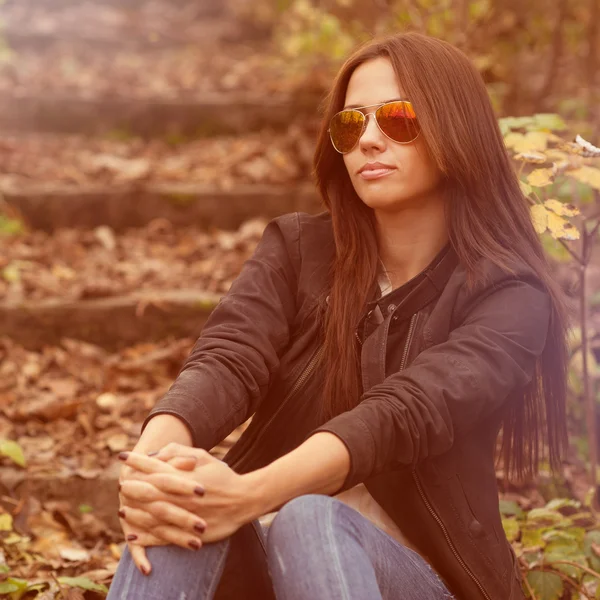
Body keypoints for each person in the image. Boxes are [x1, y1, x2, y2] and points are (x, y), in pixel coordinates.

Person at [106, 31, 569, 600]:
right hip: (269, 562)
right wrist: (151, 470)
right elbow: (228, 358)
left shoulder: (510, 296)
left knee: (309, 517)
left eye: (399, 119)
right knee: (183, 503)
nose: (370, 140)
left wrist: (248, 495)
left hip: (423, 579)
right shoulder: (298, 250)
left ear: (456, 130)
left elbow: (403, 414)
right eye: (352, 125)